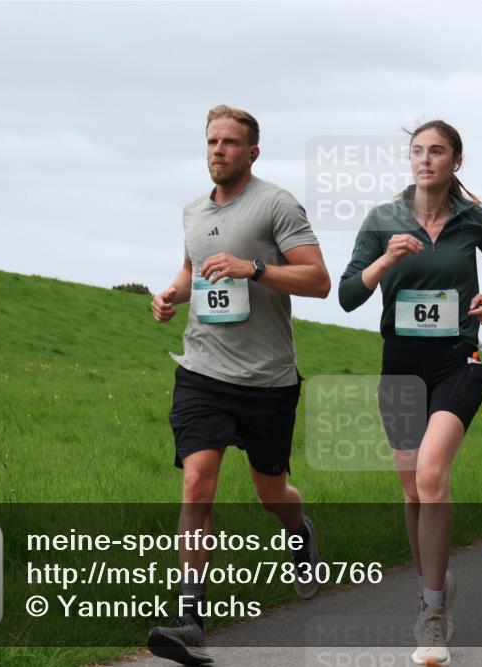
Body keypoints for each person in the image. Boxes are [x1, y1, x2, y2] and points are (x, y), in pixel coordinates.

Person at [147, 105, 331, 666]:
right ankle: (190, 619)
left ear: (253, 152)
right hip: (202, 370)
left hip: (268, 381)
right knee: (197, 483)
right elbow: (193, 269)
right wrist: (172, 294)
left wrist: (254, 269)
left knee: (271, 493)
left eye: (229, 142)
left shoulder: (276, 204)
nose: (217, 150)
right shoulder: (193, 211)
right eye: (211, 141)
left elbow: (319, 280)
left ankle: (299, 533)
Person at [339, 119, 482, 667]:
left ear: (455, 161)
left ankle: (432, 612)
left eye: (436, 151)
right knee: (412, 489)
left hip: (457, 360)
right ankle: (432, 583)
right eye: (417, 151)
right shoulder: (382, 219)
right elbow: (347, 294)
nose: (425, 159)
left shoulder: (474, 220)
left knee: (432, 475)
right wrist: (387, 260)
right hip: (400, 362)